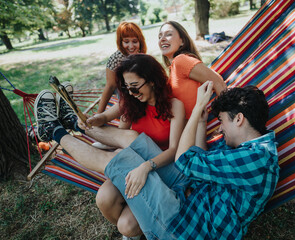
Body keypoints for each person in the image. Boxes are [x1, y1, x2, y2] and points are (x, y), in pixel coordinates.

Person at [35, 79, 279, 239]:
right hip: (191, 192)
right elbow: (201, 161)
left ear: (239, 119)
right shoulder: (251, 150)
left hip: (184, 226)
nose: (221, 128)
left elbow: (185, 160)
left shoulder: (258, 159)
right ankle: (77, 125)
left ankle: (53, 131)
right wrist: (202, 122)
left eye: (223, 120)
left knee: (122, 161)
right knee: (134, 140)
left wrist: (195, 112)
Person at [35, 54, 186, 239]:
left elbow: (174, 151)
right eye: (126, 87)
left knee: (126, 226)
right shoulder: (132, 101)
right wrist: (95, 119)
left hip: (163, 168)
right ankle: (73, 122)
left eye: (135, 86)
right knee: (104, 198)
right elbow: (106, 118)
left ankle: (53, 131)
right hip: (136, 160)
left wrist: (146, 166)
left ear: (152, 81)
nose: (131, 92)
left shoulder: (174, 106)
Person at [158, 21, 227, 119]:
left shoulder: (181, 60)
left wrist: (227, 119)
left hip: (197, 129)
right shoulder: (173, 69)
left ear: (182, 41)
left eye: (168, 34)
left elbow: (218, 83)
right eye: (160, 36)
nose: (162, 39)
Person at [97, 22, 147, 114]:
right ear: (121, 42)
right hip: (126, 101)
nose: (131, 46)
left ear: (140, 41)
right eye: (126, 42)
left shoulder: (142, 56)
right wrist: (99, 114)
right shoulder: (116, 59)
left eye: (135, 41)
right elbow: (110, 86)